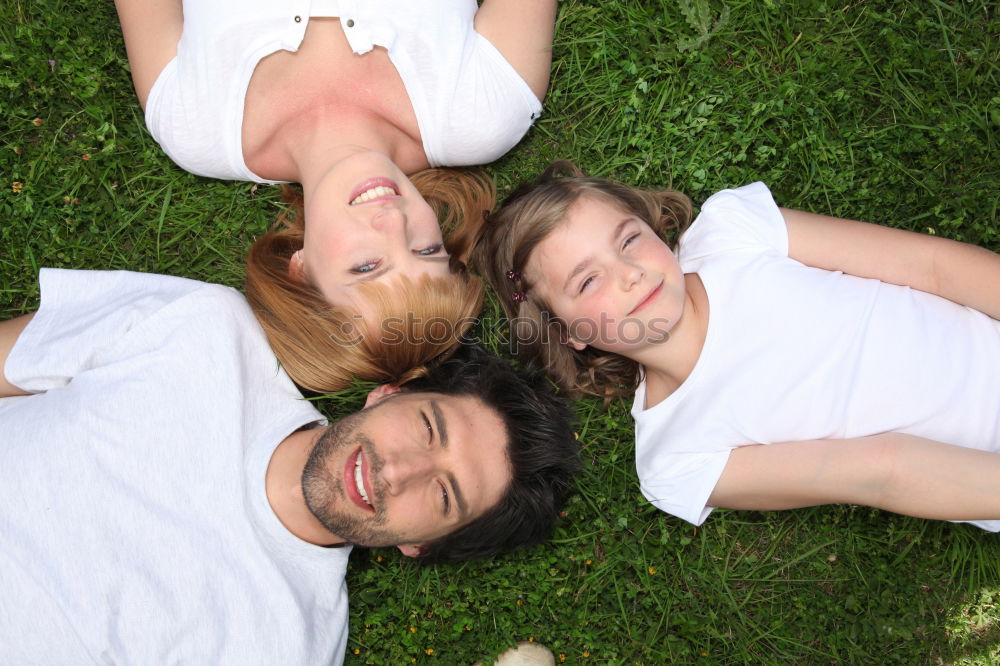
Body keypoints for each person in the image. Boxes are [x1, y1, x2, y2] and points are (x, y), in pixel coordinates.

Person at [0, 268, 579, 663]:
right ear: (389, 392)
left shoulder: (285, 648)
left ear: (423, 546)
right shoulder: (203, 330)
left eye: (444, 495)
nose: (398, 472)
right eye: (428, 428)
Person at [472, 160, 1000, 531]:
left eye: (628, 239)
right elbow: (883, 472)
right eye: (588, 281)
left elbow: (933, 265)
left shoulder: (734, 235)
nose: (630, 274)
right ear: (570, 333)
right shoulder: (677, 456)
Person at [113, 0, 556, 392]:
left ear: (301, 272)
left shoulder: (196, 129)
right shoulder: (480, 116)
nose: (395, 223)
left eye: (366, 266)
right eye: (427, 248)